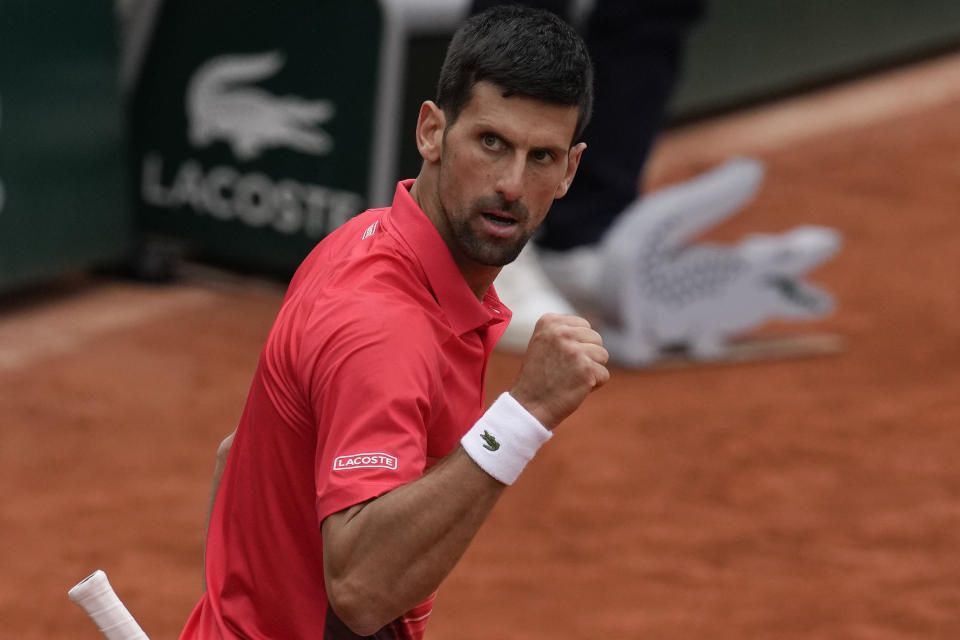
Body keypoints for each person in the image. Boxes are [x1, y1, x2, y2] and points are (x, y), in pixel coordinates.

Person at [180, 6, 609, 640]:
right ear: (432, 132)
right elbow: (360, 588)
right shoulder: (385, 326)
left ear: (569, 170)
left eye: (540, 156)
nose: (512, 185)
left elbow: (236, 459)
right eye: (490, 143)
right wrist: (523, 413)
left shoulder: (366, 243)